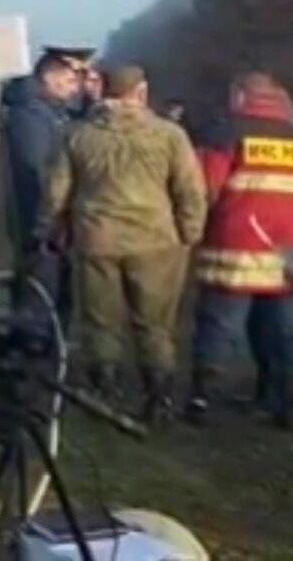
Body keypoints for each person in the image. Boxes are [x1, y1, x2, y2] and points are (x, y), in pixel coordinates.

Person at [43, 64, 207, 422]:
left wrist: (52, 230)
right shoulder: (169, 135)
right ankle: (158, 398)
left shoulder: (78, 134)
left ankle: (104, 393)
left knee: (101, 322)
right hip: (156, 242)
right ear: (142, 91)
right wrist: (189, 234)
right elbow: (191, 191)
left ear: (103, 91)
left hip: (96, 238)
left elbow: (57, 193)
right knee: (154, 323)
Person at [185, 72, 293, 430]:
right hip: (286, 250)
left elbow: (205, 188)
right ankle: (279, 401)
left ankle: (203, 398)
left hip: (236, 244)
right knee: (280, 328)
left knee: (219, 323)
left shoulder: (226, 131)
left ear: (240, 95)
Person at [1, 51, 83, 314]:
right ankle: (35, 342)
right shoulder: (31, 114)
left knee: (57, 288)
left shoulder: (53, 112)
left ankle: (49, 340)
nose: (75, 88)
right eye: (70, 80)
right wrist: (47, 218)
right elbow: (35, 167)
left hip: (50, 216)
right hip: (37, 217)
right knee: (40, 291)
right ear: (49, 77)